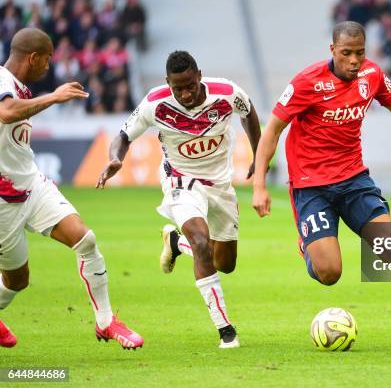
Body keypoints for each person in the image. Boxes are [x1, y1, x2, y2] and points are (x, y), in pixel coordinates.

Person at [252, 21, 391, 349]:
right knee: (329, 273)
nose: (354, 60)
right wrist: (259, 185)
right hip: (312, 187)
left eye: (360, 53)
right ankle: (308, 246)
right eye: (346, 53)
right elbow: (271, 131)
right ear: (332, 51)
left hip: (355, 181)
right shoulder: (306, 83)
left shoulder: (372, 76)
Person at [97, 51, 261, 349]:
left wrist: (259, 155)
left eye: (190, 85)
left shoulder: (226, 93)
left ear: (199, 75)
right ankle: (226, 331)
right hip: (180, 181)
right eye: (178, 88)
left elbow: (249, 112)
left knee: (225, 264)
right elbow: (123, 136)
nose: (185, 93)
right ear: (167, 83)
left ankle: (175, 243)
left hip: (220, 185)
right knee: (201, 242)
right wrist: (114, 159)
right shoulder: (154, 103)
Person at [0, 28, 143, 349]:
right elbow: (5, 113)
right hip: (3, 198)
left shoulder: (19, 87)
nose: (49, 67)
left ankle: (106, 321)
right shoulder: (1, 81)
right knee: (17, 280)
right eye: (47, 60)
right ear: (33, 57)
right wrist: (54, 96)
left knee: (86, 240)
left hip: (32, 183)